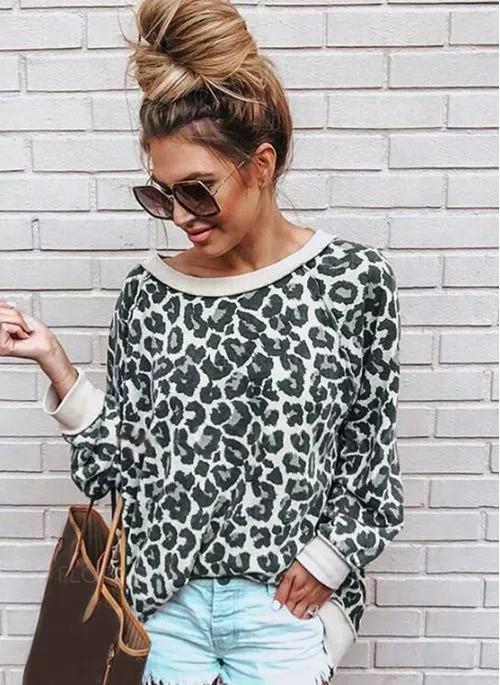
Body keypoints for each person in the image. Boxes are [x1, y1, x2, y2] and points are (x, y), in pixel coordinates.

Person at [0, 0, 405, 683]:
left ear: (261, 164)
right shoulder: (148, 295)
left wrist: (330, 560)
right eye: (163, 196)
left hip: (283, 614)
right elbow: (112, 469)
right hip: (165, 611)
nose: (181, 217)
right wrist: (55, 364)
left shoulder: (351, 282)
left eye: (198, 190)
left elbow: (369, 460)